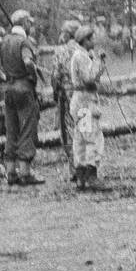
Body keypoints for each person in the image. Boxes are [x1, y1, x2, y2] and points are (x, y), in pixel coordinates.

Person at [0, 10, 44, 185]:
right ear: (24, 23)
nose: (30, 26)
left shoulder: (4, 42)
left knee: (11, 129)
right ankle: (25, 173)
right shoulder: (24, 42)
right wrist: (33, 76)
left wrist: (0, 73)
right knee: (27, 129)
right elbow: (27, 62)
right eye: (29, 23)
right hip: (24, 89)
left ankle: (10, 173)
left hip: (8, 90)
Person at [69, 25, 109, 191]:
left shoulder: (82, 55)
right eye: (91, 38)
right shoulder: (82, 57)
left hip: (81, 99)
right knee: (91, 137)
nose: (93, 41)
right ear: (85, 40)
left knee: (81, 138)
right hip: (85, 101)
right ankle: (90, 176)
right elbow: (89, 78)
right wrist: (99, 62)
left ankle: (81, 176)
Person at [52, 20, 81, 180]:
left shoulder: (60, 50)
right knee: (84, 127)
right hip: (83, 95)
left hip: (66, 94)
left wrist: (56, 92)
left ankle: (74, 167)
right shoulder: (84, 49)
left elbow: (55, 75)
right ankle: (85, 167)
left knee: (68, 131)